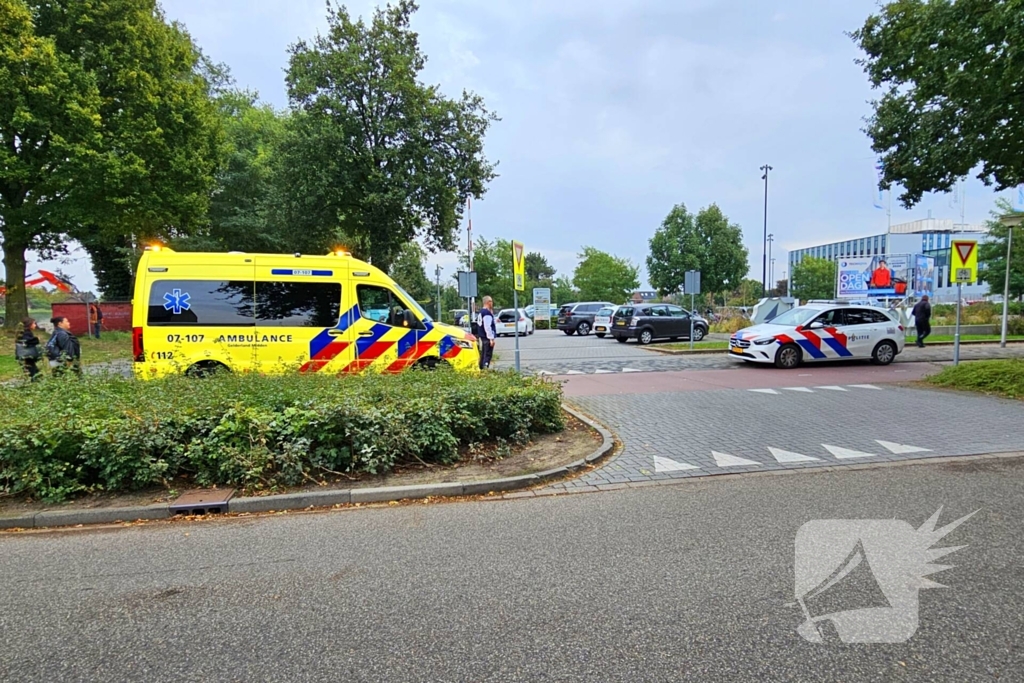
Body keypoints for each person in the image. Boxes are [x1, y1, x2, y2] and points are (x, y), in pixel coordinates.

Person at [478, 295, 497, 369]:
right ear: (488, 302)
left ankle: (482, 368)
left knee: (484, 354)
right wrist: (491, 339)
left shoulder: (481, 312)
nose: (492, 303)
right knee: (488, 355)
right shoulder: (486, 313)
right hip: (487, 337)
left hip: (483, 336)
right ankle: (485, 368)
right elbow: (487, 327)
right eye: (491, 301)